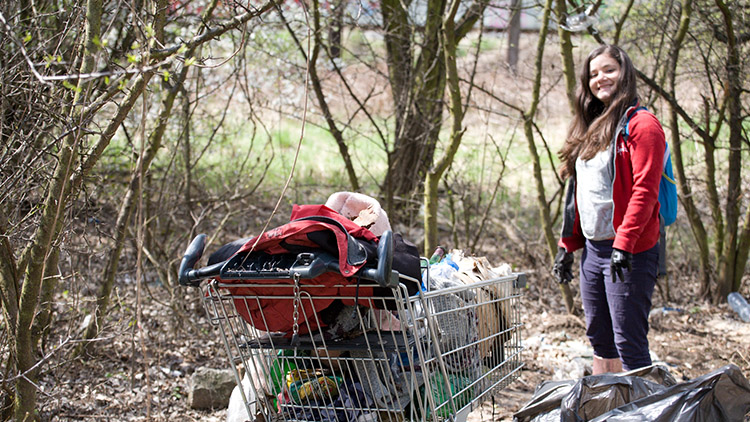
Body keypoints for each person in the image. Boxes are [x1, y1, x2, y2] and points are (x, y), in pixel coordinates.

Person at [552, 45, 665, 375]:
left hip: (629, 252)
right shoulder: (592, 126)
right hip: (593, 252)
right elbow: (580, 192)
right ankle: (608, 408)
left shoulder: (643, 125)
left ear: (625, 72)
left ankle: (641, 412)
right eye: (593, 74)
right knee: (600, 339)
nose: (601, 78)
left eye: (609, 70)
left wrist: (624, 246)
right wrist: (568, 247)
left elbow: (645, 191)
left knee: (629, 342)